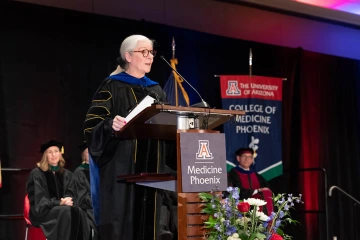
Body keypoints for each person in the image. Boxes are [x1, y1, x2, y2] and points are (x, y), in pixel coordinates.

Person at [83, 34, 175, 240]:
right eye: (144, 52)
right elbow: (91, 125)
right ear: (128, 56)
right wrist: (109, 125)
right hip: (121, 168)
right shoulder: (111, 86)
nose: (150, 56)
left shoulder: (156, 89)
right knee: (122, 224)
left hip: (153, 168)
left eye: (151, 52)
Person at [26, 140, 90, 240]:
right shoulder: (37, 174)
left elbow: (71, 193)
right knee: (66, 212)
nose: (53, 155)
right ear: (45, 155)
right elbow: (39, 201)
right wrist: (58, 202)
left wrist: (68, 200)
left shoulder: (67, 174)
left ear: (60, 154)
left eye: (56, 151)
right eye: (50, 152)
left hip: (63, 209)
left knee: (79, 211)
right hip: (43, 213)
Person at [227, 147, 274, 215]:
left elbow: (266, 189)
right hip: (243, 207)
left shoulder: (256, 175)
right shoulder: (233, 174)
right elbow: (237, 192)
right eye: (244, 156)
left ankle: (269, 221)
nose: (247, 159)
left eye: (250, 157)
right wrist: (257, 191)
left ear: (252, 159)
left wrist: (261, 191)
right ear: (238, 158)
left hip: (260, 207)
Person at [73, 141, 99, 239]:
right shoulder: (79, 172)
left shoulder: (98, 170)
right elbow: (81, 197)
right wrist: (97, 202)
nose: (91, 153)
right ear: (83, 154)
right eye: (88, 152)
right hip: (87, 211)